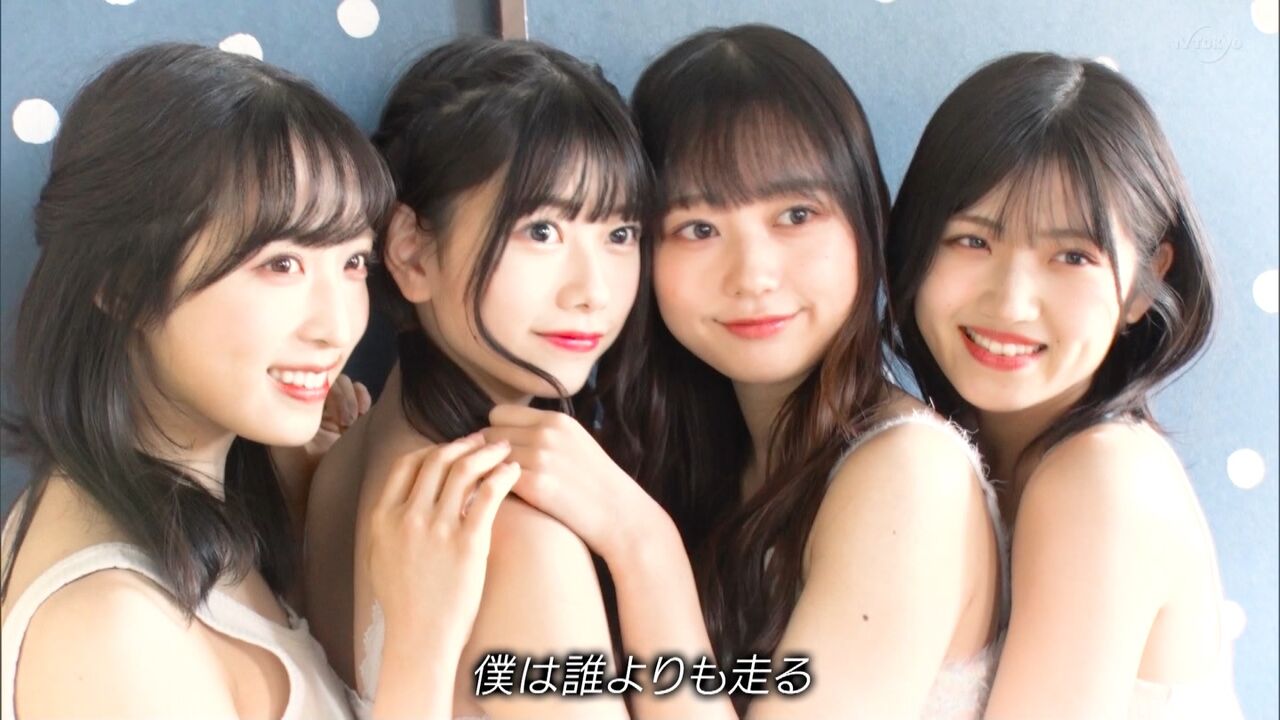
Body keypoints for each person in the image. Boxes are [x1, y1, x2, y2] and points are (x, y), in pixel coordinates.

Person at [487, 25, 1009, 718]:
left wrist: (642, 545)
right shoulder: (697, 457)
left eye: (795, 215)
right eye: (698, 228)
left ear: (865, 219)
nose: (753, 275)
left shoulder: (909, 473)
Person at [0, 43, 517, 720]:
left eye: (353, 263)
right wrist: (418, 647)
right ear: (122, 282)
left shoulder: (187, 524)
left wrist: (305, 527)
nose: (336, 327)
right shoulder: (107, 630)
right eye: (281, 265)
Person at [302, 37, 651, 720]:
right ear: (411, 252)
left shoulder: (345, 460)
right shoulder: (519, 545)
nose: (593, 291)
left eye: (620, 234)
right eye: (542, 231)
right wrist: (645, 545)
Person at [885, 52, 1242, 718]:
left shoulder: (1103, 479)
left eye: (1072, 256)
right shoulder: (935, 459)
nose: (1012, 302)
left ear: (1144, 283)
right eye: (972, 241)